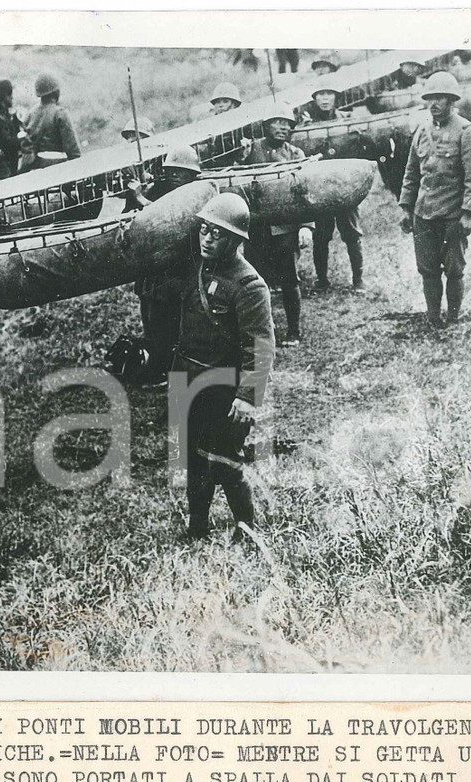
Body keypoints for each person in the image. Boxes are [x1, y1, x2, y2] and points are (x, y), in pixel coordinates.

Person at [172, 193, 275, 540]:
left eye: (217, 233)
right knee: (193, 459)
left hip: (224, 388)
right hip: (189, 380)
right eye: (204, 230)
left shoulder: (249, 285)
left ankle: (246, 530)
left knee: (225, 462)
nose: (207, 238)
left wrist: (247, 396)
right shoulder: (195, 268)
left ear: (234, 239)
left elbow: (260, 346)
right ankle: (197, 526)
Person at [398, 71, 471, 328]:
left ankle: (454, 318)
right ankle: (434, 318)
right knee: (427, 270)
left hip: (452, 215)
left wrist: (468, 213)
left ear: (452, 100)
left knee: (454, 270)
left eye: (440, 98)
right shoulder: (422, 131)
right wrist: (406, 208)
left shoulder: (468, 132)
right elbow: (412, 172)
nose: (433, 104)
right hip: (424, 214)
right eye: (430, 98)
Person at [124, 147, 202, 388]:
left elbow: (172, 222)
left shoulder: (196, 196)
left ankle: (169, 372)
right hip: (152, 275)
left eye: (181, 171)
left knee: (170, 326)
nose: (175, 176)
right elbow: (128, 219)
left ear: (193, 175)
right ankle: (158, 368)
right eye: (171, 170)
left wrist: (142, 200)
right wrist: (134, 198)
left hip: (178, 274)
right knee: (151, 323)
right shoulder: (157, 191)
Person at [242, 104, 313, 347]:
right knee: (256, 282)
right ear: (266, 125)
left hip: (286, 228)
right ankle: (262, 331)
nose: (283, 128)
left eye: (287, 124)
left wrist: (306, 226)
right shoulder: (251, 150)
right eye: (277, 122)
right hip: (257, 228)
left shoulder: (295, 154)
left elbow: (306, 193)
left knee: (289, 281)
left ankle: (294, 331)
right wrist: (239, 157)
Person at [300, 82, 365, 292]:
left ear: (336, 97)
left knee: (352, 235)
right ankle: (322, 280)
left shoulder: (347, 121)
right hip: (320, 188)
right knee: (320, 236)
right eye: (321, 94)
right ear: (314, 99)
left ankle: (358, 280)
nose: (325, 98)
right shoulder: (307, 126)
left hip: (345, 186)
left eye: (329, 93)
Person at [26, 73, 81, 167]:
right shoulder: (60, 113)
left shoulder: (31, 114)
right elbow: (73, 150)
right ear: (56, 92)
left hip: (36, 166)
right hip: (58, 167)